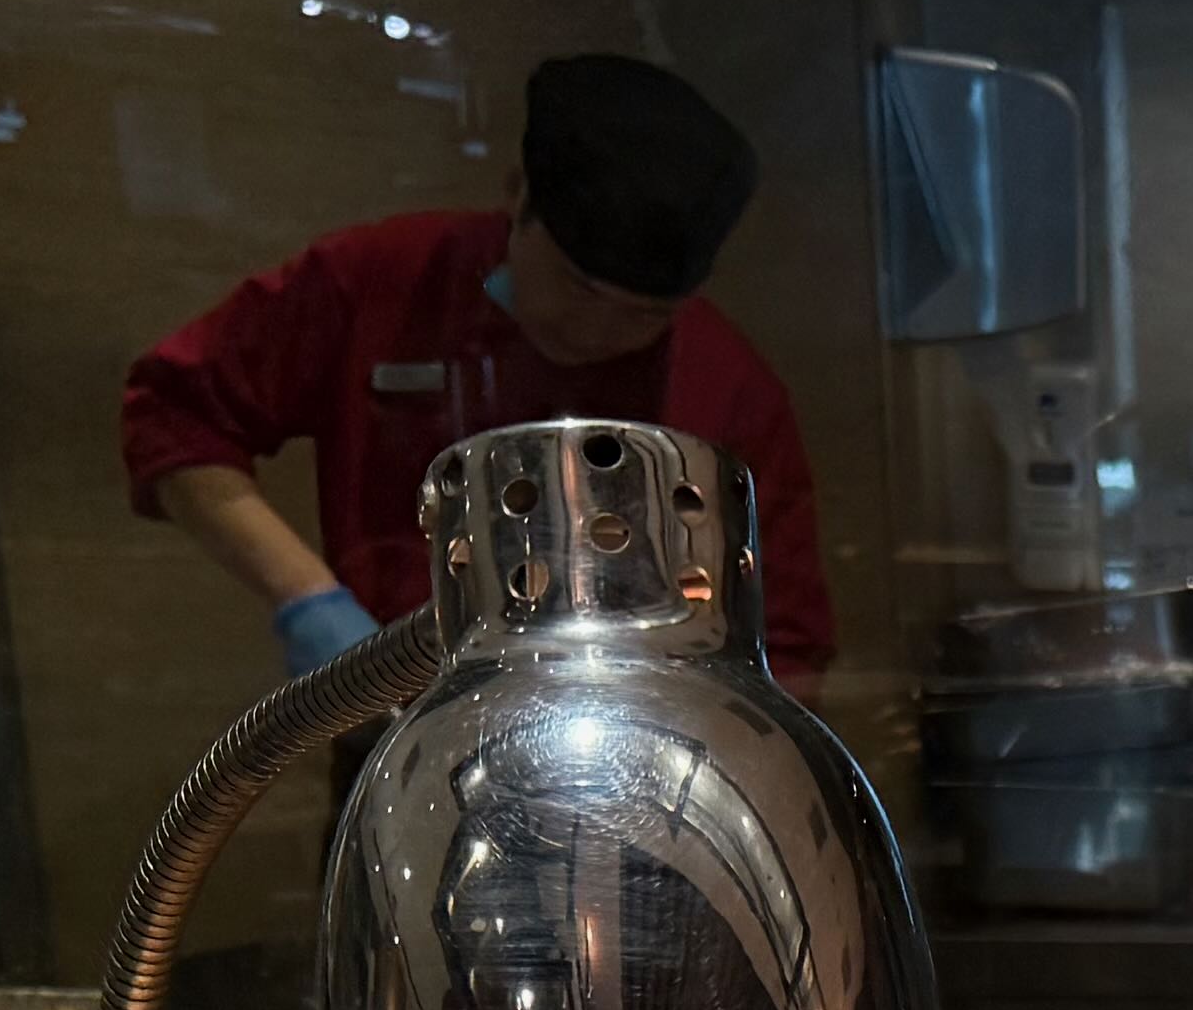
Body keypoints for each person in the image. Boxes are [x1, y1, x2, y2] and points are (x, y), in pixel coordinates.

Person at [120, 50, 834, 689]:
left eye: (644, 316)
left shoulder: (728, 387)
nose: (595, 332)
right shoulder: (384, 282)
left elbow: (790, 645)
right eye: (579, 290)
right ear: (518, 195)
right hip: (399, 719)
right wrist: (308, 599)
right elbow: (175, 412)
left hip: (646, 757)